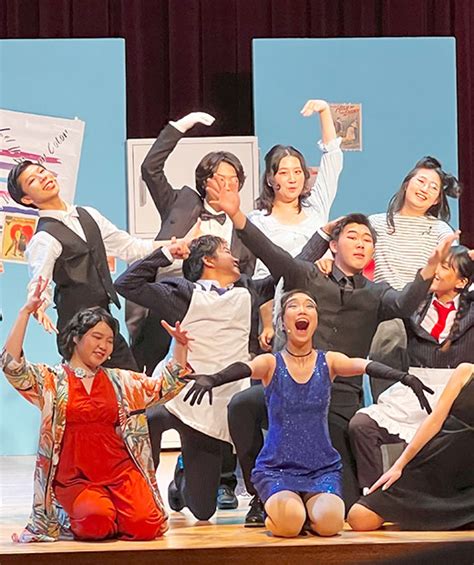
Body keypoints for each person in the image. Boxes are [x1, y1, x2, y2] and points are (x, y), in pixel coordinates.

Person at [207, 181, 457, 519]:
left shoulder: (377, 293)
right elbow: (273, 255)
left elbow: (403, 304)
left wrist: (428, 270)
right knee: (241, 405)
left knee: (344, 508)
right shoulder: (309, 276)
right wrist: (237, 214)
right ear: (334, 245)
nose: (361, 243)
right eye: (352, 236)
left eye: (368, 240)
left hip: (338, 402)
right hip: (287, 393)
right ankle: (260, 492)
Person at [180, 290, 433, 538]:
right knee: (290, 524)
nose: (302, 309)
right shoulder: (271, 363)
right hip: (278, 469)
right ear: (283, 323)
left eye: (309, 305)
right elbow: (245, 367)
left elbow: (363, 365)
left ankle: (303, 511)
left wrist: (404, 377)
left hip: (321, 469)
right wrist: (213, 378)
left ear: (315, 321)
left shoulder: (329, 361)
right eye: (294, 306)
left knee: (331, 524)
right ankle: (282, 511)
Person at [1, 278, 192, 543]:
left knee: (147, 526)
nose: (104, 346)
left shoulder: (121, 381)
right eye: (97, 337)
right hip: (75, 478)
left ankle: (115, 511)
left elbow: (164, 387)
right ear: (76, 338)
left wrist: (180, 346)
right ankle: (80, 512)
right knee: (95, 523)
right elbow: (12, 367)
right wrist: (25, 312)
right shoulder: (53, 381)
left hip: (120, 472)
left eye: (110, 341)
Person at [115, 234, 276, 521]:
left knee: (203, 510)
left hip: (215, 400)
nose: (235, 257)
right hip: (175, 393)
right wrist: (166, 253)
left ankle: (180, 481)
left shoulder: (247, 291)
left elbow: (287, 269)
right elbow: (126, 284)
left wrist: (324, 240)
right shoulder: (182, 292)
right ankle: (138, 492)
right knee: (148, 417)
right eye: (226, 250)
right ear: (208, 260)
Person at [129, 111, 255, 375]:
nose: (228, 185)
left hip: (218, 314)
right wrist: (181, 126)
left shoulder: (244, 225)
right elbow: (150, 169)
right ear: (205, 181)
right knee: (152, 372)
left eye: (234, 180)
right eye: (221, 178)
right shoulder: (181, 204)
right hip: (171, 300)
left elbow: (247, 277)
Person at [7, 160, 159, 370]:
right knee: (94, 388)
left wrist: (169, 247)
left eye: (42, 171)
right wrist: (38, 305)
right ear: (27, 199)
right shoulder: (44, 238)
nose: (43, 177)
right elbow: (40, 281)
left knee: (131, 384)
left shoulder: (88, 215)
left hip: (104, 323)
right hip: (77, 331)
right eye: (32, 180)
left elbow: (130, 247)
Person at [349, 245, 474, 490]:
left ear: (461, 282)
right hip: (416, 389)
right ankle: (374, 493)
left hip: (457, 394)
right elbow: (399, 300)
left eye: (445, 267)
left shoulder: (471, 307)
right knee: (361, 425)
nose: (436, 271)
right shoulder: (416, 304)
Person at [250, 99, 343, 353]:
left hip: (321, 301)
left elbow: (333, 159)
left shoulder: (316, 208)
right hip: (282, 308)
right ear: (270, 179)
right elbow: (261, 277)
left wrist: (324, 112)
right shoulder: (258, 220)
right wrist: (266, 324)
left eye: (298, 172)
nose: (292, 179)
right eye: (283, 173)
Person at [368, 155, 462, 398]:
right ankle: (385, 406)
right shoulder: (376, 224)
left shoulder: (440, 230)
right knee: (390, 331)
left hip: (424, 306)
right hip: (387, 306)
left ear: (437, 199)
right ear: (406, 183)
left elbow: (450, 271)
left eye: (433, 187)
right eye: (421, 181)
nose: (425, 189)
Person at [348, 362, 474, 531]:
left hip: (469, 480)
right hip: (436, 463)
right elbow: (434, 421)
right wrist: (399, 465)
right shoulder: (466, 371)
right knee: (359, 517)